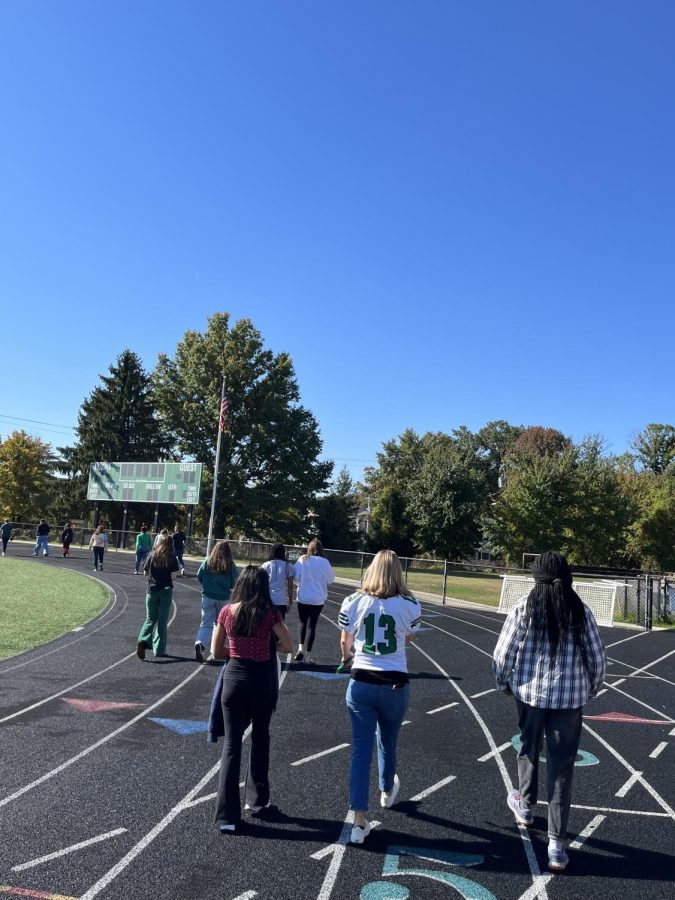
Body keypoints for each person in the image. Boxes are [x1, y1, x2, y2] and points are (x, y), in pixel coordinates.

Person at [492, 551, 606, 874]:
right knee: (562, 767)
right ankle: (557, 845)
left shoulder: (524, 609)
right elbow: (597, 658)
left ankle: (526, 806)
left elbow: (504, 653)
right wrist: (591, 687)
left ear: (536, 578)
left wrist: (503, 683)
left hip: (529, 696)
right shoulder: (580, 613)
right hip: (569, 701)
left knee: (528, 748)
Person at [338, 549, 421, 844]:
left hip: (361, 682)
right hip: (395, 683)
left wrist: (347, 655)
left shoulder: (353, 601)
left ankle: (359, 822)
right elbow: (408, 637)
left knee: (361, 750)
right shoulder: (410, 604)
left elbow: (345, 640)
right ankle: (387, 790)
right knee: (388, 739)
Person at [211, 566, 294, 832]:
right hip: (261, 681)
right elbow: (289, 646)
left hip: (234, 679)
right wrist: (268, 645)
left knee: (232, 746)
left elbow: (215, 651)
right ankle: (257, 801)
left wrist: (236, 649)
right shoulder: (270, 614)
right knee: (260, 738)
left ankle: (226, 816)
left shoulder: (227, 612)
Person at [194, 541, 239, 663]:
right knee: (221, 626)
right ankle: (215, 650)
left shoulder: (208, 561)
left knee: (206, 623)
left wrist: (207, 586)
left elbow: (199, 576)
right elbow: (235, 581)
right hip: (223, 598)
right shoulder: (230, 565)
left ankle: (200, 642)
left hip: (208, 596)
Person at [137, 533, 180, 659]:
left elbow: (145, 573)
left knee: (150, 619)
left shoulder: (151, 555)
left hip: (151, 591)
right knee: (162, 622)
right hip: (165, 592)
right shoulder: (172, 558)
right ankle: (159, 650)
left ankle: (142, 639)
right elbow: (173, 576)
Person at [293, 538, 334, 663]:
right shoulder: (325, 562)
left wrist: (302, 583)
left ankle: (300, 648)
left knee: (302, 622)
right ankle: (308, 656)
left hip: (303, 597)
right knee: (312, 626)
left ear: (309, 549)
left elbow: (295, 577)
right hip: (318, 599)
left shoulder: (302, 559)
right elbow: (330, 580)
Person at [261, 543, 295, 619]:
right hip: (281, 600)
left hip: (267, 600)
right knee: (280, 626)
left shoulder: (265, 565)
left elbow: (261, 584)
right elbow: (290, 586)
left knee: (266, 626)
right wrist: (290, 602)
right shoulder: (287, 565)